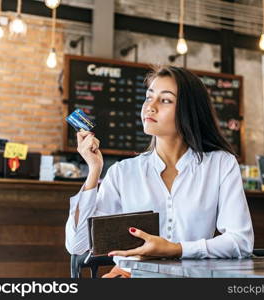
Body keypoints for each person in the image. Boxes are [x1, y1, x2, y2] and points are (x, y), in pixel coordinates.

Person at [65, 66, 254, 278]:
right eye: (148, 98)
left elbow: (241, 242)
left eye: (165, 100)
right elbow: (77, 244)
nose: (150, 107)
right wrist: (94, 170)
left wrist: (176, 249)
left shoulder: (220, 164)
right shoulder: (122, 172)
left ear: (188, 109)